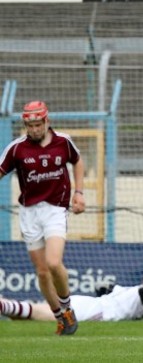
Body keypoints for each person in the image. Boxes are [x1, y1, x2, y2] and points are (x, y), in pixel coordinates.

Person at [0, 101, 86, 335]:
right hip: (29, 213)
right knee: (42, 272)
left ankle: (67, 309)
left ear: (47, 121)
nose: (34, 129)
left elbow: (78, 161)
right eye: (30, 125)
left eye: (38, 124)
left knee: (53, 262)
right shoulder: (17, 148)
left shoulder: (63, 142)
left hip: (55, 209)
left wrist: (79, 193)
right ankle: (60, 318)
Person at [0, 267, 143, 322]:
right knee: (55, 316)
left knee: (31, 316)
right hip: (97, 311)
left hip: (91, 304)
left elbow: (104, 288)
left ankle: (7, 306)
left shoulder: (129, 292)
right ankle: (4, 305)